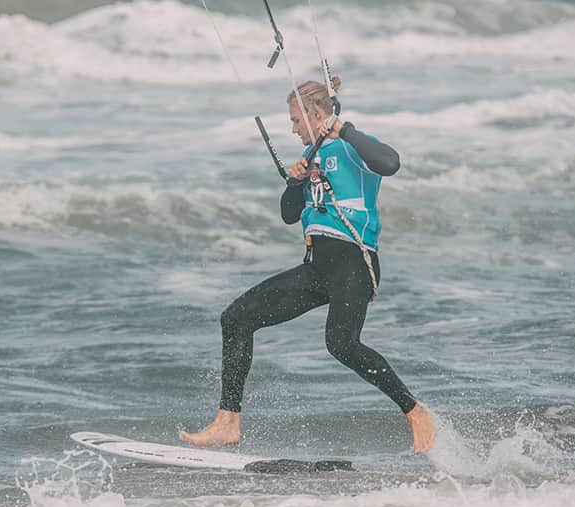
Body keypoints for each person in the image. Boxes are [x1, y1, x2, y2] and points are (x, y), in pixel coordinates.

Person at [181, 77, 437, 453]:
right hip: (318, 269)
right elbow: (289, 215)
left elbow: (391, 162)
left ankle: (415, 412)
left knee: (341, 343)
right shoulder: (313, 157)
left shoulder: (351, 147)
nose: (293, 128)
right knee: (236, 318)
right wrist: (295, 182)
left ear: (315, 113)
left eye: (296, 120)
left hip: (353, 261)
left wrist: (344, 130)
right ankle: (227, 421)